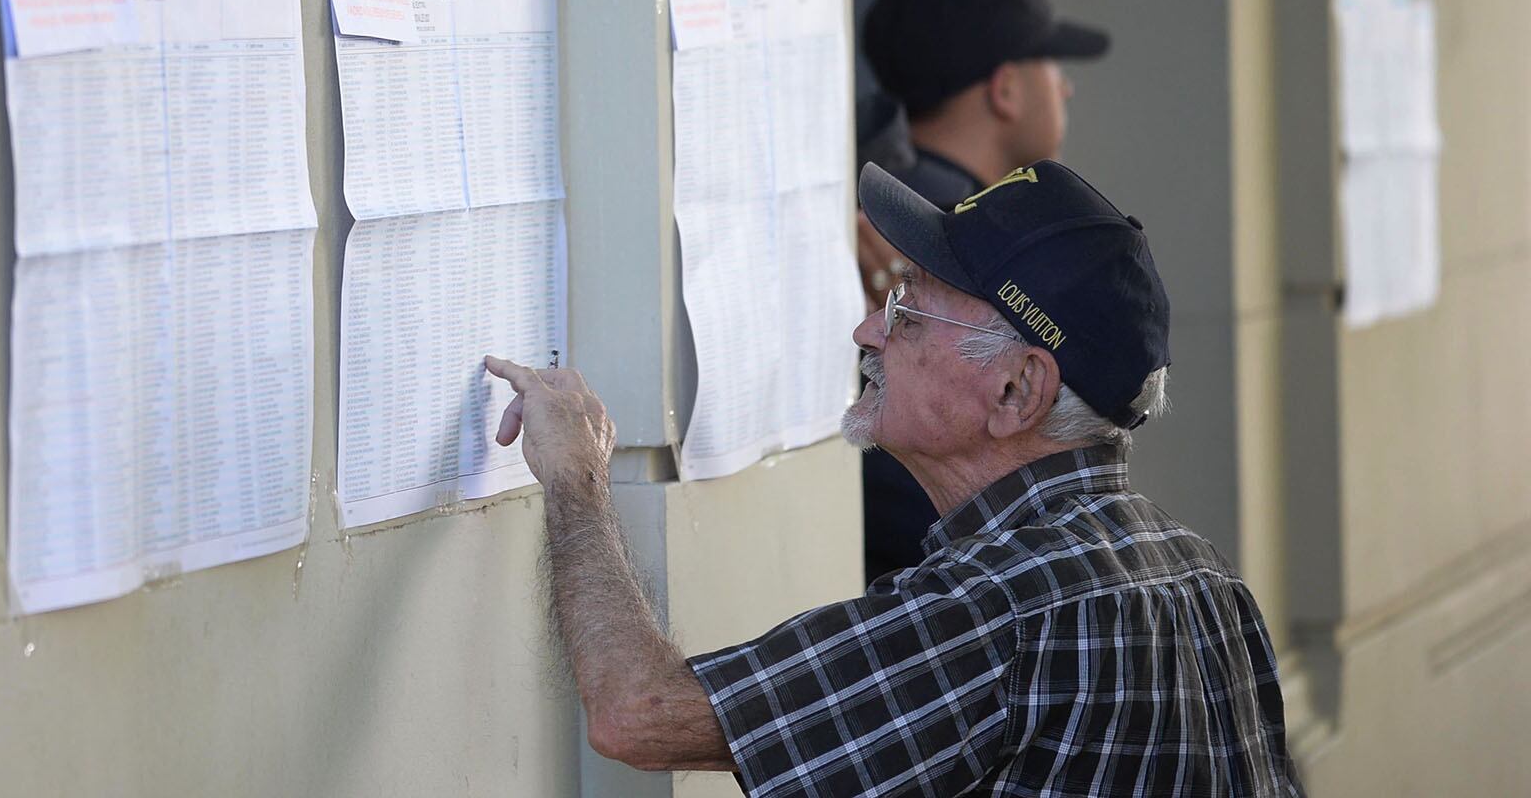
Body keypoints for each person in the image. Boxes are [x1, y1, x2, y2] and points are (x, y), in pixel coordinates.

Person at [484, 160, 1303, 796]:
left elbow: (639, 713)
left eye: (908, 310)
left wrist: (578, 484)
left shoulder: (1000, 605)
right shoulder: (1200, 573)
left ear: (1018, 389)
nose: (867, 329)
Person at [857, 0, 1112, 581]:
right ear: (1005, 89)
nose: (1066, 86)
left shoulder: (874, 216)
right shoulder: (960, 253)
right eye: (1052, 64)